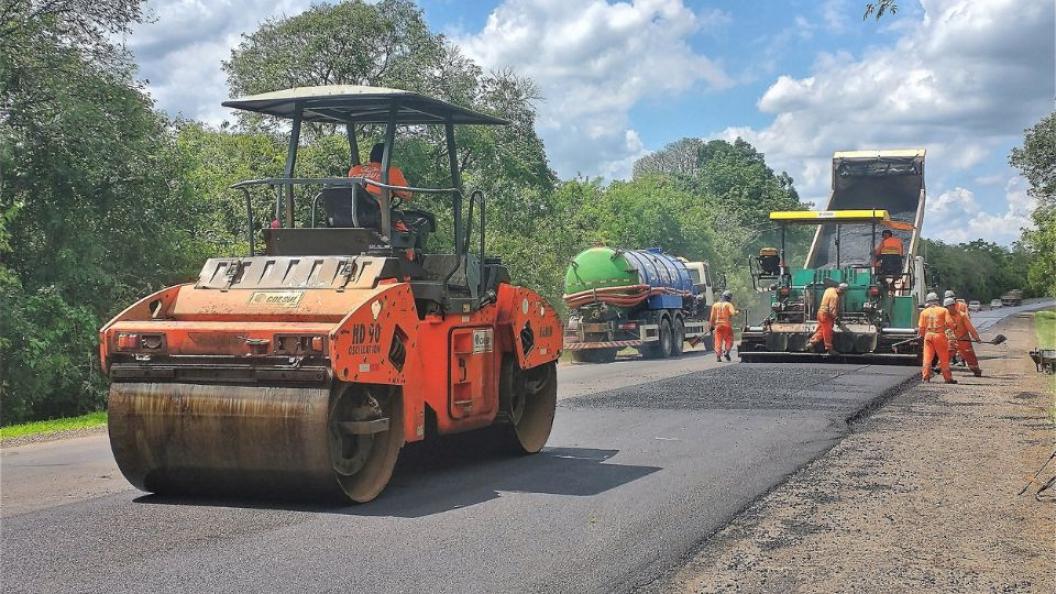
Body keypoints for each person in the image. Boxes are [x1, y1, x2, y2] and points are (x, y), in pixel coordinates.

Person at [348, 143, 413, 201]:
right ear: (387, 157)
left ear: (371, 155)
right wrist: (395, 190)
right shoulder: (392, 171)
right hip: (374, 208)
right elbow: (407, 195)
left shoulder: (354, 169)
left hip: (351, 205)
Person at [919, 292, 957, 384]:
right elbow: (950, 324)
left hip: (928, 336)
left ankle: (926, 377)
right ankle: (948, 378)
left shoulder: (924, 312)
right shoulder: (943, 310)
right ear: (937, 301)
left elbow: (921, 327)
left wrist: (924, 336)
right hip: (939, 336)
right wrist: (953, 327)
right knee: (943, 358)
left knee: (927, 357)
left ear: (928, 302)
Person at [946, 296, 983, 377]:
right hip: (952, 340)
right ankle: (940, 368)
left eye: (952, 305)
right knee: (947, 353)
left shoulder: (962, 315)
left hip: (964, 339)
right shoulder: (945, 316)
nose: (951, 308)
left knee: (969, 355)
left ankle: (976, 370)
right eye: (949, 306)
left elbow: (970, 328)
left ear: (955, 305)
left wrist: (976, 338)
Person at [806, 282, 847, 354]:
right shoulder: (835, 297)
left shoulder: (829, 289)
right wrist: (836, 319)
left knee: (822, 330)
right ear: (842, 291)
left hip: (820, 313)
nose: (842, 295)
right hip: (826, 315)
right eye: (843, 293)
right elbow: (832, 310)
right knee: (828, 331)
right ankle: (829, 349)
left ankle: (811, 343)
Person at [709, 290, 737, 362]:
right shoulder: (728, 305)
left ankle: (718, 356)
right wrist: (737, 312)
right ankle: (727, 351)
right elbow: (733, 313)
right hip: (727, 326)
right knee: (729, 339)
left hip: (718, 326)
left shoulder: (715, 305)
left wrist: (711, 326)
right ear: (729, 298)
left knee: (718, 341)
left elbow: (712, 317)